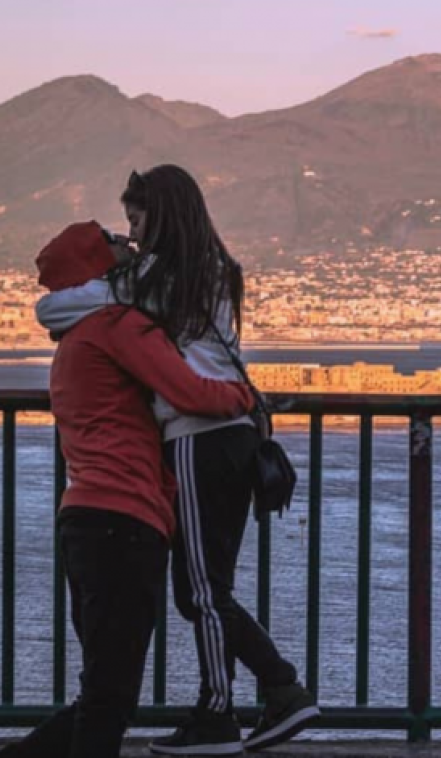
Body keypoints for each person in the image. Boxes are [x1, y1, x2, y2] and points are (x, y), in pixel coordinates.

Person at [36, 166, 318, 756]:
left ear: (160, 214)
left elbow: (67, 306)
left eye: (137, 219)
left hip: (197, 434)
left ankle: (226, 708)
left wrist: (91, 279)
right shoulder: (214, 271)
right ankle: (270, 690)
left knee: (202, 589)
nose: (132, 236)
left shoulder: (155, 278)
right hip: (232, 435)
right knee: (205, 586)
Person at [0, 222, 257, 758]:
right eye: (116, 237)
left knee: (102, 692)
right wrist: (246, 397)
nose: (131, 243)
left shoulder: (73, 341)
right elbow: (189, 392)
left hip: (84, 523)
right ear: (97, 261)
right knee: (111, 699)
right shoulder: (116, 325)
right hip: (125, 525)